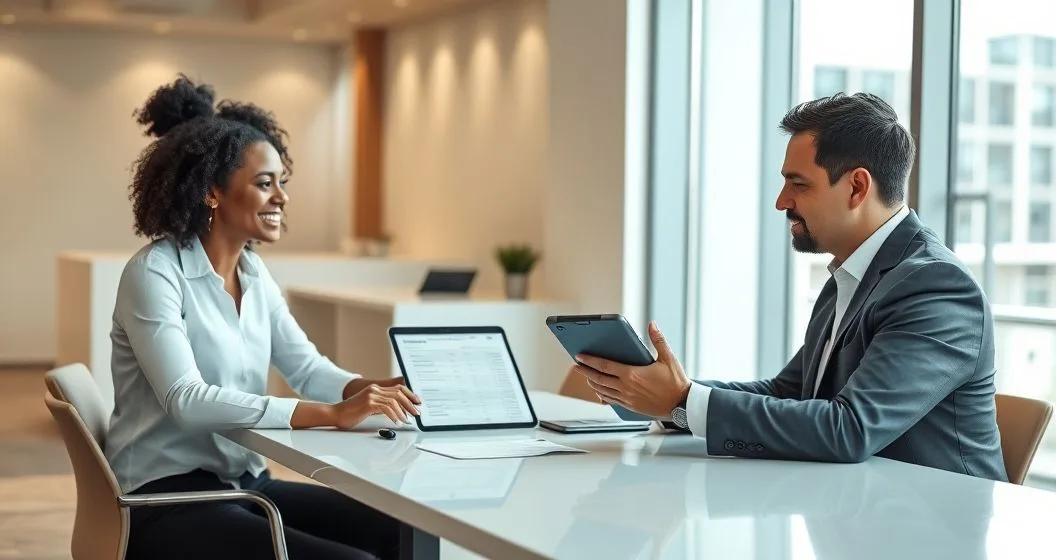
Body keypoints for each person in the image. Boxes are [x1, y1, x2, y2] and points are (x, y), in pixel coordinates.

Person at [572, 92, 1008, 482]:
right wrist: (672, 397)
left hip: (936, 533)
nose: (782, 201)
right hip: (857, 512)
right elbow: (791, 394)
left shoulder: (935, 286)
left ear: (857, 186)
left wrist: (684, 400)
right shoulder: (853, 274)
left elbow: (850, 429)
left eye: (798, 184)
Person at [104, 75, 422, 560]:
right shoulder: (154, 273)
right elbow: (185, 400)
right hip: (168, 499)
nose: (282, 197)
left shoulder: (254, 273)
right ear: (212, 192)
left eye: (282, 183)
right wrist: (330, 415)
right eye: (264, 183)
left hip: (246, 484)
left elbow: (307, 369)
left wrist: (372, 389)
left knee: (402, 531)